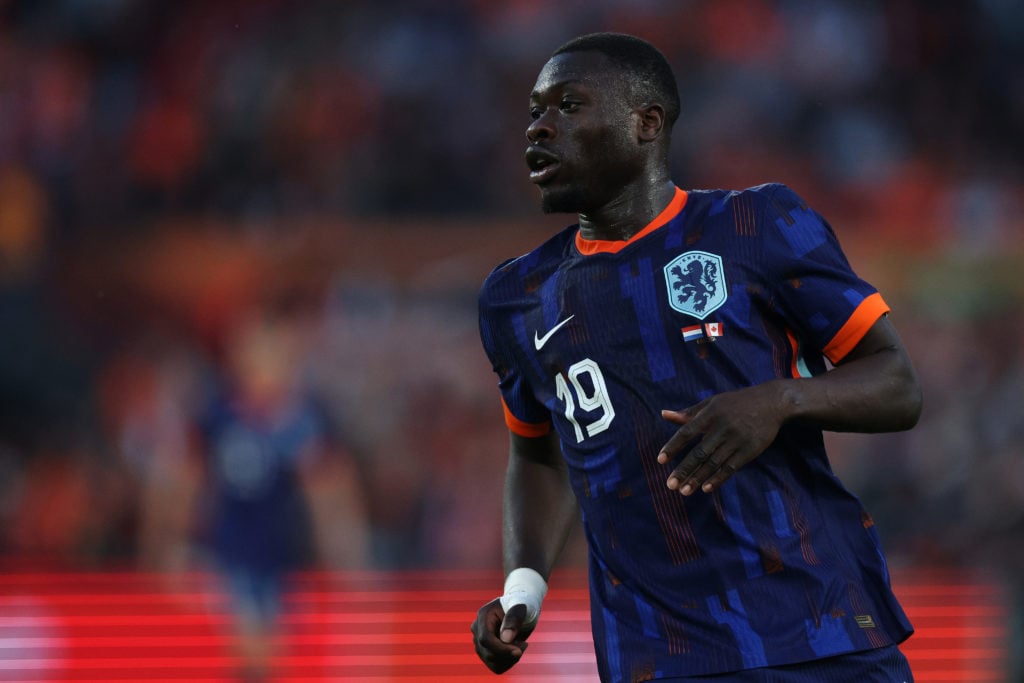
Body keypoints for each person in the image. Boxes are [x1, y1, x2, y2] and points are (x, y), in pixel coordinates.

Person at [470, 32, 923, 682]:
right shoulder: (516, 297)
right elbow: (539, 450)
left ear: (646, 123)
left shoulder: (757, 225)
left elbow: (898, 382)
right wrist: (524, 586)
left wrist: (779, 400)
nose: (538, 128)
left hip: (816, 632)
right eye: (535, 111)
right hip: (658, 656)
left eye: (568, 106)